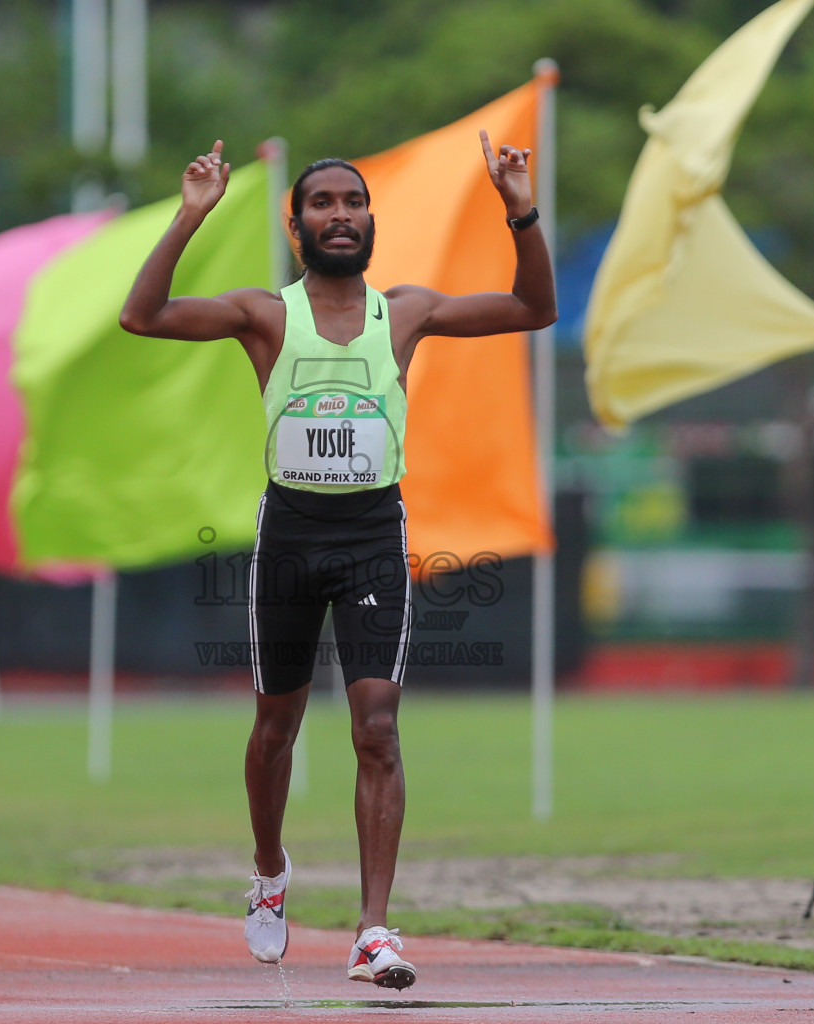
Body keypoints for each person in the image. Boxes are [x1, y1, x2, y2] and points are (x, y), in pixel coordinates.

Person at [119, 133, 555, 990]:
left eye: (354, 203)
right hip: (288, 542)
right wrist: (190, 215)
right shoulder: (265, 316)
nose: (341, 215)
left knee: (377, 729)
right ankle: (271, 872)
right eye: (323, 204)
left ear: (371, 221)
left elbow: (533, 308)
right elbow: (143, 315)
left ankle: (372, 932)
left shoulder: (408, 312)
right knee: (275, 729)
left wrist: (519, 206)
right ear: (297, 227)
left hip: (371, 543)